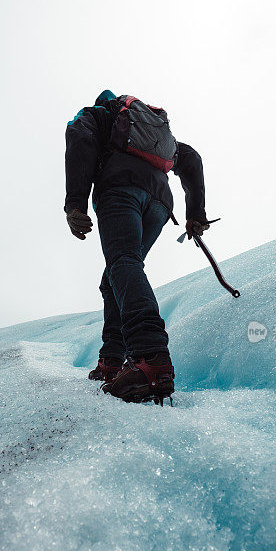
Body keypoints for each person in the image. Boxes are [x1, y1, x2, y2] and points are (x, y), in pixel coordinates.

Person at [65, 89, 210, 403]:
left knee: (124, 263)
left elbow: (79, 138)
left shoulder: (98, 115)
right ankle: (112, 362)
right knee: (115, 277)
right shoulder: (151, 132)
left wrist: (75, 205)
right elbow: (191, 159)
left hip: (121, 191)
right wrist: (196, 214)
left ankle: (149, 357)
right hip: (159, 203)